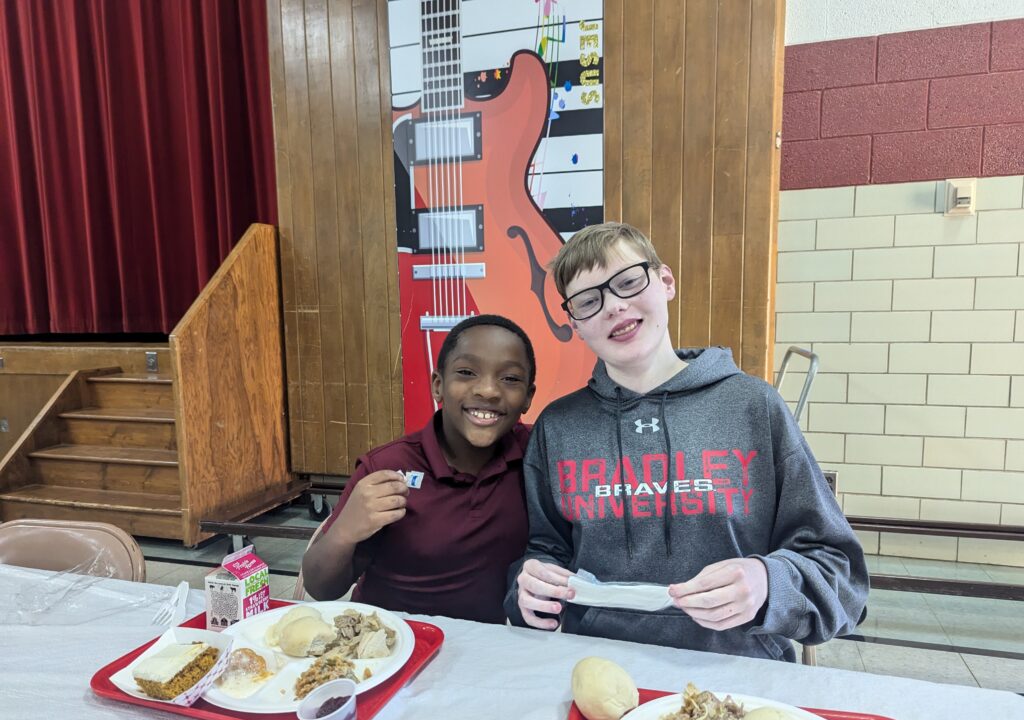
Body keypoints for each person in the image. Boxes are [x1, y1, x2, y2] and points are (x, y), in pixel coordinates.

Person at [504, 222, 868, 661]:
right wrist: (529, 588)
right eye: (587, 301)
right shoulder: (558, 426)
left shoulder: (753, 407)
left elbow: (842, 580)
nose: (614, 306)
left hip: (737, 676)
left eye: (628, 282)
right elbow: (546, 552)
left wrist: (768, 582)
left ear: (665, 281)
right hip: (600, 673)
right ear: (574, 324)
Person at [302, 314, 536, 624]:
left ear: (528, 397)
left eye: (510, 378)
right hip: (391, 642)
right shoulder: (386, 467)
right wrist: (345, 530)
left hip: (481, 646)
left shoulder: (538, 454)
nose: (488, 390)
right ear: (438, 385)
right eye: (466, 372)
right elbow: (321, 588)